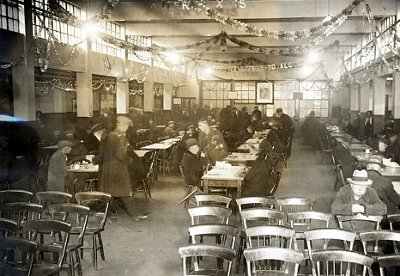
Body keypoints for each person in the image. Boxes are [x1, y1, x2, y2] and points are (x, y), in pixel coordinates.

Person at [100, 116, 134, 213]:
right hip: (116, 168)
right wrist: (128, 159)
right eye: (126, 126)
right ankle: (133, 213)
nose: (126, 128)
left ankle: (106, 213)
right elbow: (119, 154)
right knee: (120, 191)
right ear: (121, 125)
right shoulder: (115, 136)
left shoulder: (114, 135)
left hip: (112, 167)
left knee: (113, 191)